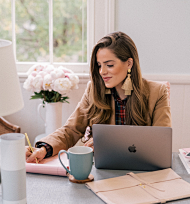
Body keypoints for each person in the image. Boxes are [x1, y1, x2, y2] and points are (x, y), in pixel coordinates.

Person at [26, 31, 171, 163]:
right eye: (99, 65)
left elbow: (161, 142)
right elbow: (71, 130)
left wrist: (110, 143)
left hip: (143, 172)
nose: (102, 72)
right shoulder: (93, 90)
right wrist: (44, 149)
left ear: (129, 63)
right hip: (102, 171)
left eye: (109, 65)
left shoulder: (157, 92)